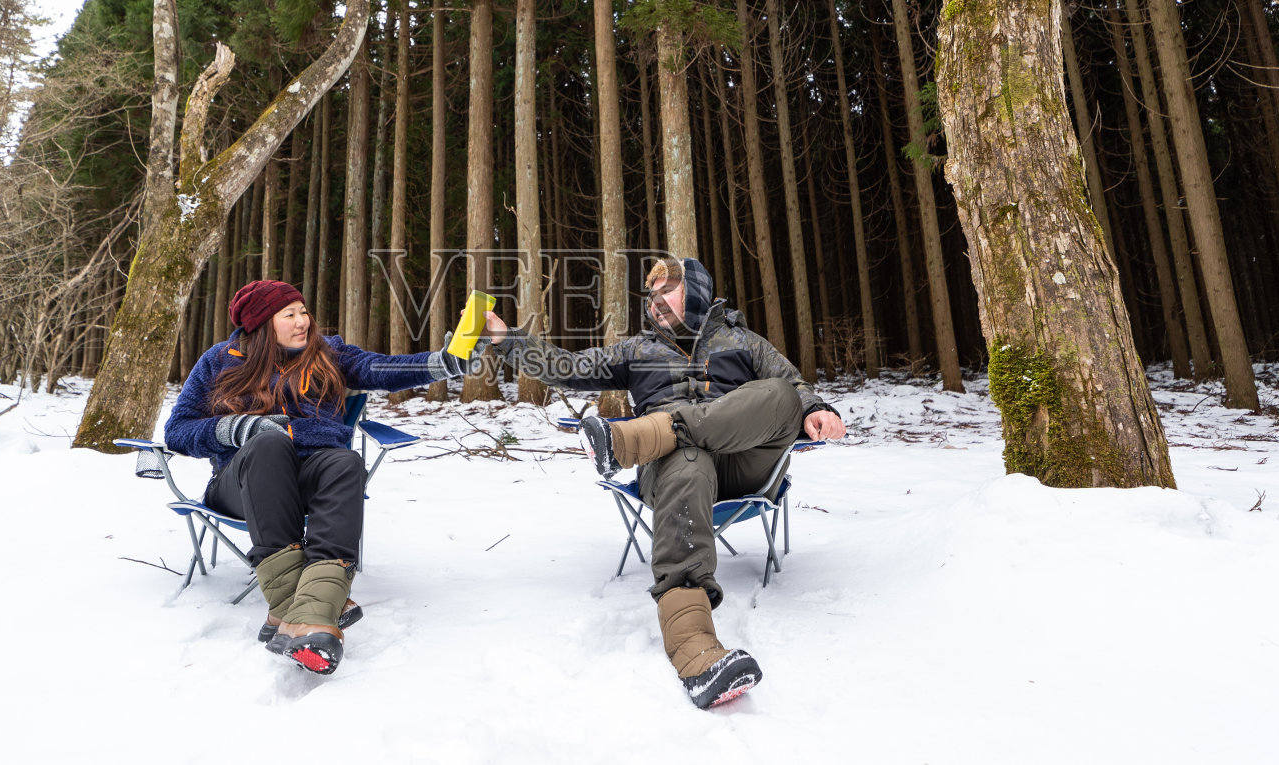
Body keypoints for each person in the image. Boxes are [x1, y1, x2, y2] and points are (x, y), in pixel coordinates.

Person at [483, 256, 845, 708]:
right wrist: (507, 340)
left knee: (781, 396)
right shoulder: (636, 349)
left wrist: (815, 410)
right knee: (688, 457)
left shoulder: (743, 341)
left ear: (693, 290)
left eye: (665, 292)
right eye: (650, 297)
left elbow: (793, 384)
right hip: (677, 475)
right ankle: (695, 650)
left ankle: (638, 437)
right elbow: (569, 368)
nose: (654, 303)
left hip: (742, 466)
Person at [163, 279, 481, 676]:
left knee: (344, 463)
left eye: (304, 311)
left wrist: (446, 362)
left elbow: (378, 368)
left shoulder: (327, 353)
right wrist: (240, 428)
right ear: (262, 325)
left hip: (312, 474)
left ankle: (307, 618)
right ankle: (311, 604)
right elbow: (177, 431)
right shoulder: (219, 360)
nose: (303, 322)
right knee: (268, 445)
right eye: (289, 315)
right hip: (242, 480)